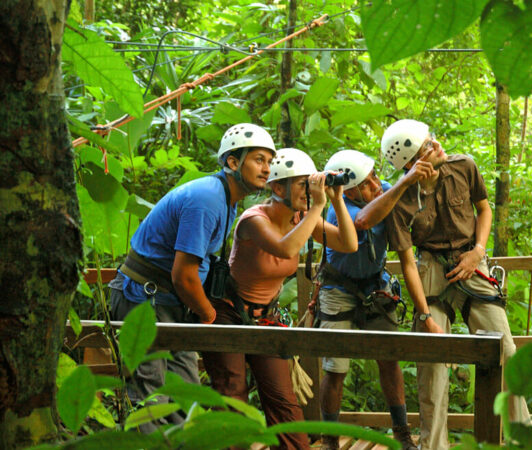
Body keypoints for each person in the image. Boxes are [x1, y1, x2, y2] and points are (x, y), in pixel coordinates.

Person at [108, 123, 276, 432]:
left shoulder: (227, 199)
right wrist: (209, 314)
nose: (266, 168)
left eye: (269, 161)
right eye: (258, 159)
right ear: (232, 162)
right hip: (145, 299)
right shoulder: (208, 199)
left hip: (171, 303)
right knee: (151, 393)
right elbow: (184, 275)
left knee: (185, 391)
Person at [382, 119, 532, 450]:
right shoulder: (402, 201)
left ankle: (524, 439)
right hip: (431, 268)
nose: (436, 146)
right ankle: (434, 446)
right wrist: (425, 317)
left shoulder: (463, 166)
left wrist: (478, 252)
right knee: (433, 365)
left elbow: (483, 209)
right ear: (411, 164)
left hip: (471, 261)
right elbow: (408, 263)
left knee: (505, 351)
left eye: (432, 140)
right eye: (426, 147)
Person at [202, 147, 358, 449]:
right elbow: (286, 249)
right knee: (232, 395)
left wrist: (336, 200)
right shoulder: (253, 219)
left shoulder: (301, 216)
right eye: (303, 183)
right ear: (277, 187)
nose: (310, 190)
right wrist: (316, 208)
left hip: (265, 317)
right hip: (228, 313)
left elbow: (348, 243)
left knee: (283, 400)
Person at [315, 150, 435, 450]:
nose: (377, 185)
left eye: (375, 177)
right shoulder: (340, 208)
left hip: (375, 288)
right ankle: (329, 439)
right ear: (350, 189)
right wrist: (404, 182)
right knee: (335, 367)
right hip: (338, 289)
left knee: (389, 359)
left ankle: (402, 432)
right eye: (367, 183)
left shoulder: (383, 200)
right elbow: (364, 222)